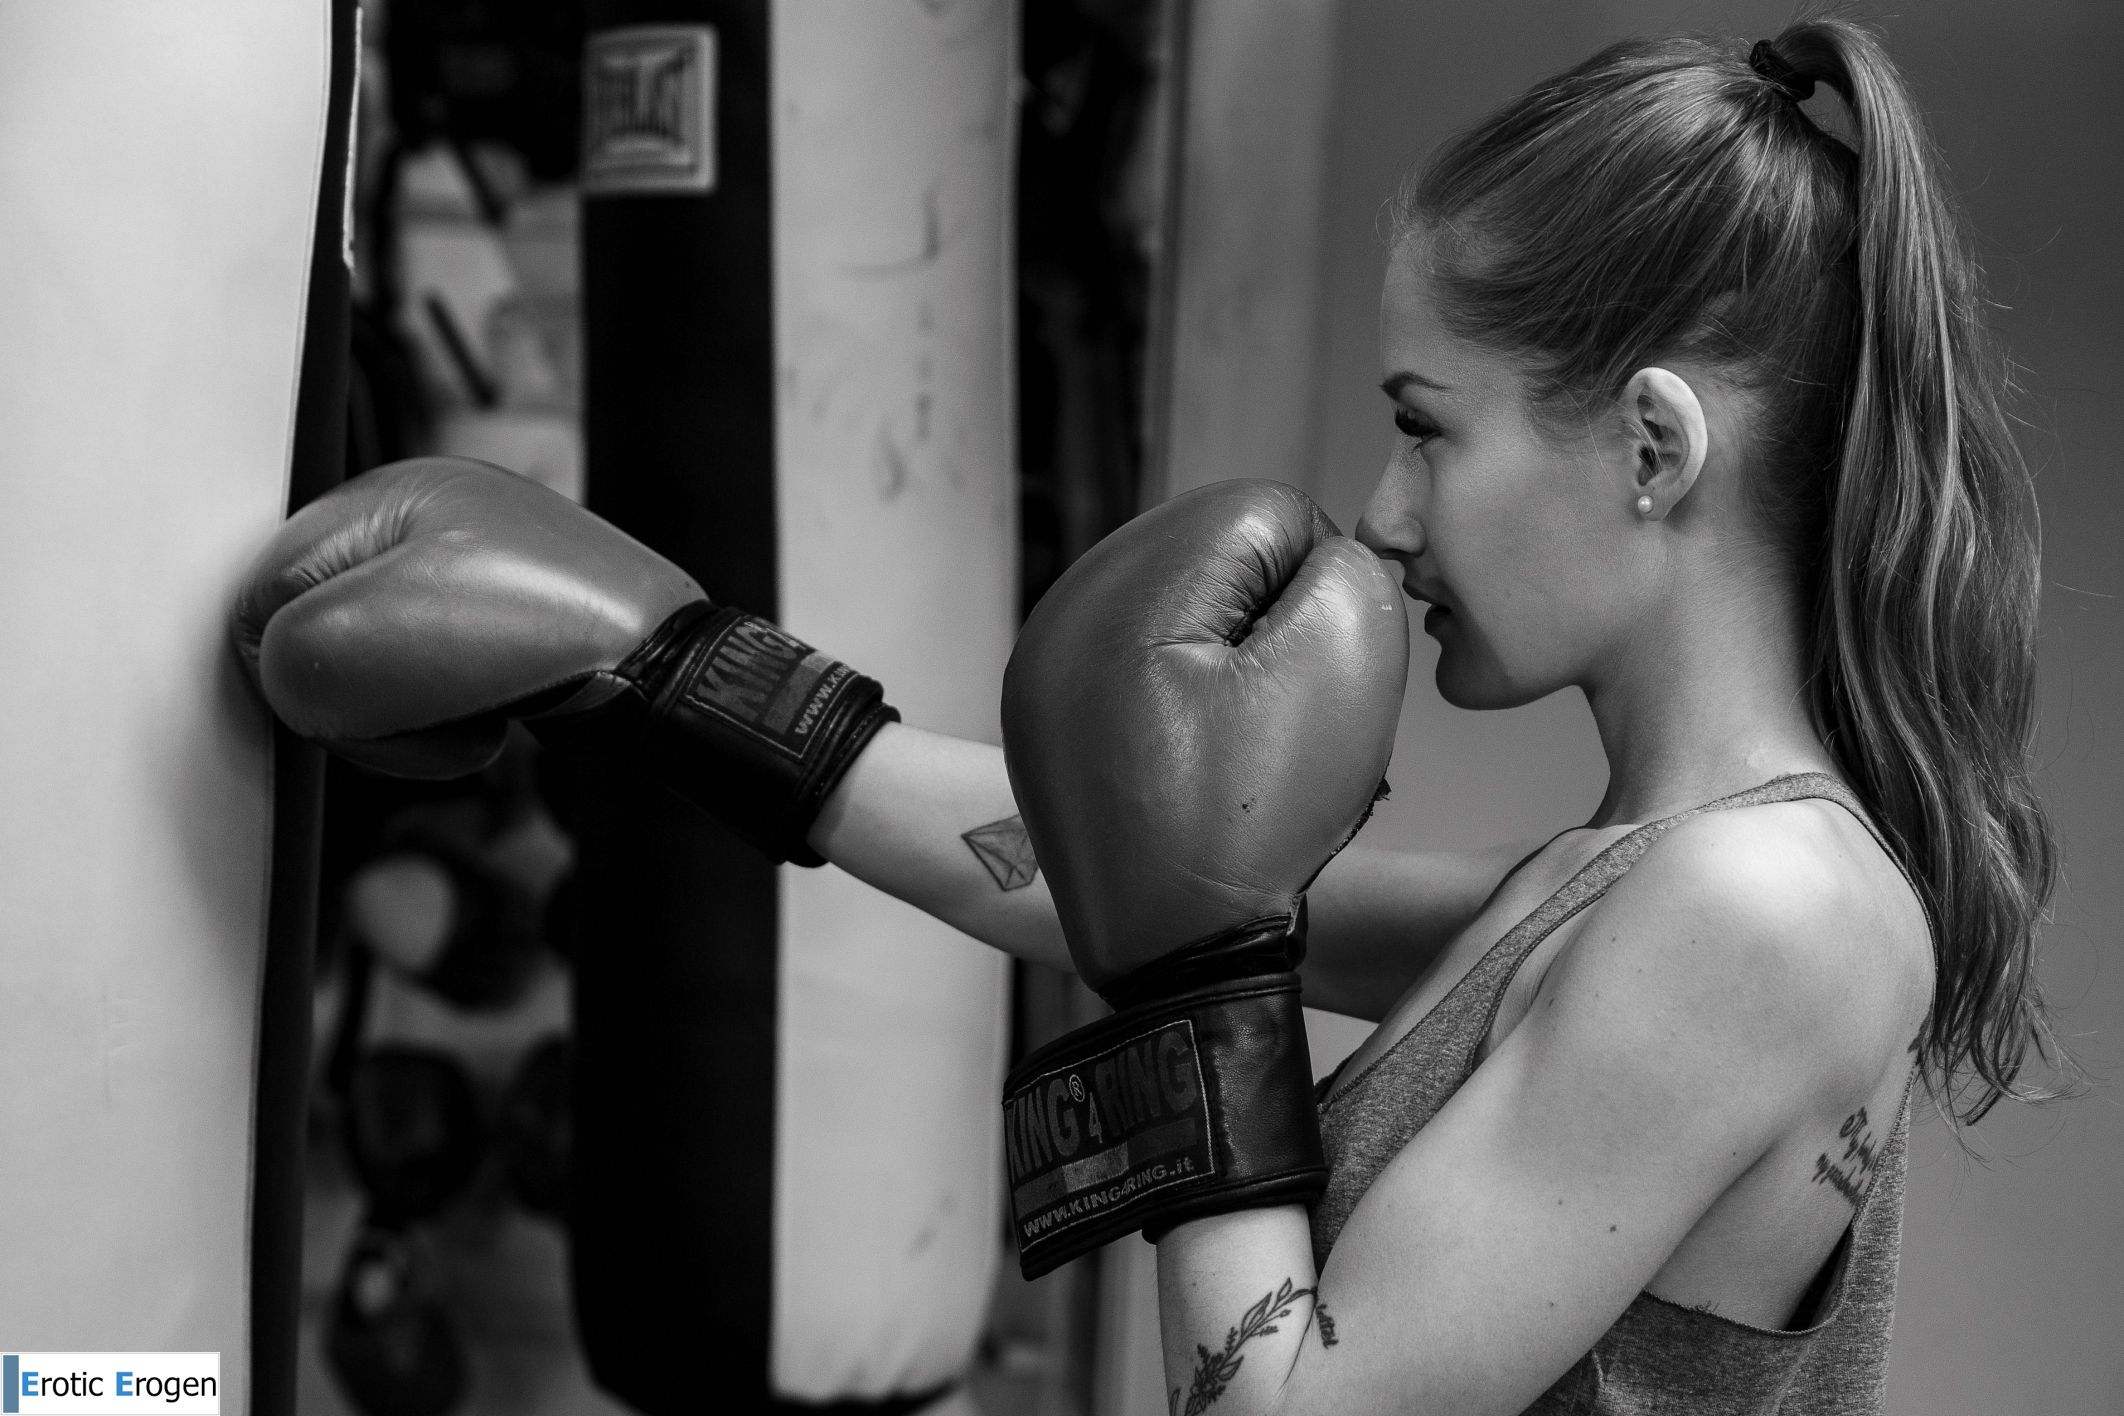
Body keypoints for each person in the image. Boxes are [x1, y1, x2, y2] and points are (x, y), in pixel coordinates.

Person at [234, 18, 2061, 1414]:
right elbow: (1061, 873)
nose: (1389, 509)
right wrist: (666, 663)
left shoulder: (1768, 916)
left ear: (1655, 446)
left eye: (1431, 424)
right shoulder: (1620, 887)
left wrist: (1197, 978)